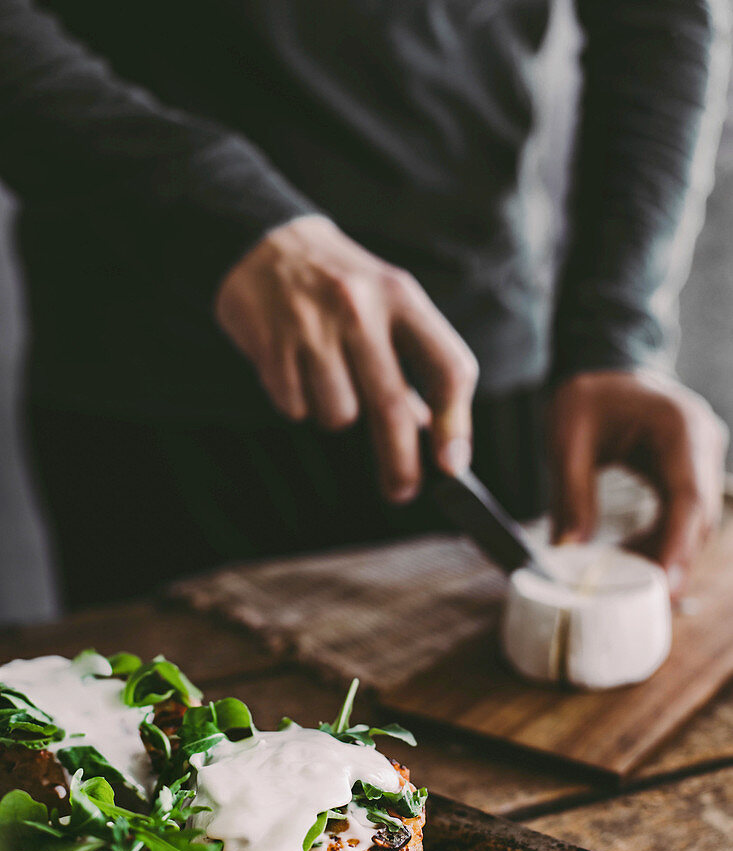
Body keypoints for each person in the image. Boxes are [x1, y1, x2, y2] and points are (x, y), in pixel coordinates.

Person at [0, 0, 728, 608]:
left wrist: (612, 334)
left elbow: (657, 17)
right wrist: (217, 207)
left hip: (468, 376)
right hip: (143, 380)